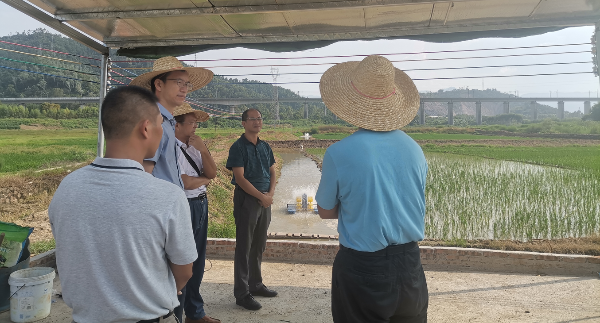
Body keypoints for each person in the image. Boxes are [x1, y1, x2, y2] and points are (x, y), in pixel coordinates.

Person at [49, 86, 198, 323]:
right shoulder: (167, 195)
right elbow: (184, 271)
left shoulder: (67, 187)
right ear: (146, 128)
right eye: (161, 124)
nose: (163, 131)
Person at [316, 55, 429, 323]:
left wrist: (360, 207)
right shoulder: (415, 150)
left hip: (363, 266)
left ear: (350, 103)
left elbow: (325, 211)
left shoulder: (339, 152)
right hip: (410, 264)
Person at [129, 56, 213, 322]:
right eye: (178, 82)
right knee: (170, 274)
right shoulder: (153, 123)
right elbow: (146, 174)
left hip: (171, 210)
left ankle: (181, 313)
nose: (184, 88)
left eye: (187, 84)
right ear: (158, 85)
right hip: (162, 215)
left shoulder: (164, 122)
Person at [225, 108, 278, 311]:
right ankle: (242, 293)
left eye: (259, 118)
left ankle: (256, 285)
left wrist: (270, 194)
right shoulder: (238, 147)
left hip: (265, 199)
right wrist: (262, 196)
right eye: (252, 119)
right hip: (247, 199)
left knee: (259, 245)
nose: (257, 122)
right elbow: (240, 178)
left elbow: (272, 171)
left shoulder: (265, 146)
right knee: (244, 247)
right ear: (244, 123)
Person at [173, 103, 219, 323]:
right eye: (191, 123)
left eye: (196, 123)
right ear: (177, 125)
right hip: (185, 205)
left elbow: (213, 172)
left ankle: (195, 312)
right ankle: (177, 314)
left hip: (201, 204)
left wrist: (202, 149)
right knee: (183, 261)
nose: (195, 127)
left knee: (198, 260)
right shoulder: (171, 149)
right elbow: (187, 183)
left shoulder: (195, 147)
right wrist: (205, 180)